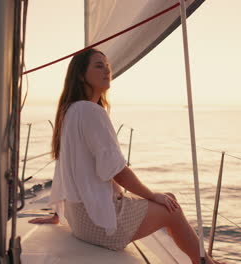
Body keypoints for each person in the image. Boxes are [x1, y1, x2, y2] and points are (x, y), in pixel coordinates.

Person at [29, 48, 225, 264]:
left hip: (79, 220)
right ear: (80, 74)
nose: (107, 70)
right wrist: (152, 195)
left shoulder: (70, 111)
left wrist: (58, 214)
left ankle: (203, 259)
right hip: (99, 226)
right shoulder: (91, 111)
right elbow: (118, 172)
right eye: (98, 65)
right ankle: (204, 262)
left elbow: (64, 167)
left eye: (108, 66)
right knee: (172, 208)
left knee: (169, 198)